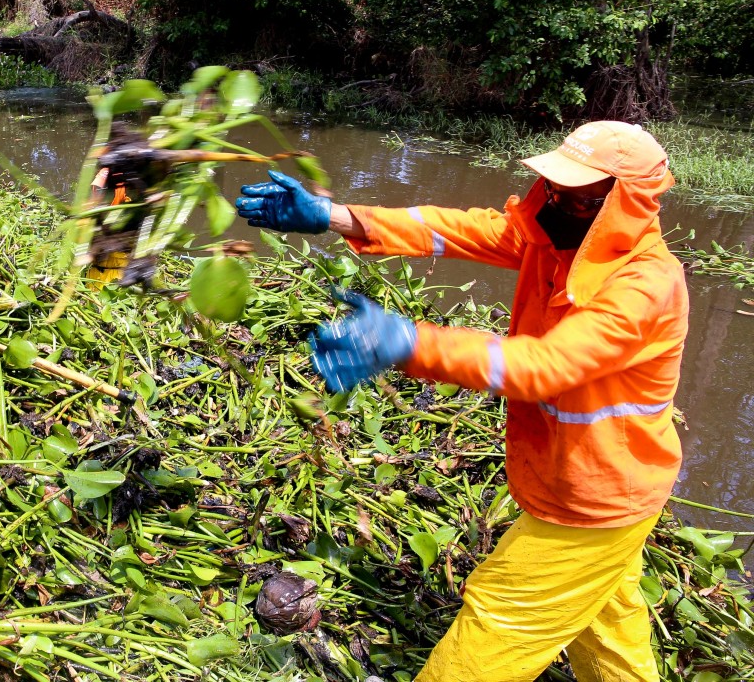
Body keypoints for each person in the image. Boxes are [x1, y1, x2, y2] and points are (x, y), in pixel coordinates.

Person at [236, 121, 686, 682]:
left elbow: (543, 367)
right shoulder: (556, 240)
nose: (556, 202)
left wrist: (408, 342)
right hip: (589, 487)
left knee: (497, 624)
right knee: (609, 627)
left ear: (625, 205)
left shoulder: (643, 287)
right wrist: (333, 216)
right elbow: (454, 229)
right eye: (555, 188)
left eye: (579, 196)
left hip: (594, 505)